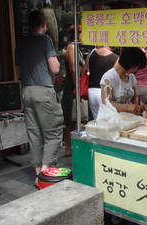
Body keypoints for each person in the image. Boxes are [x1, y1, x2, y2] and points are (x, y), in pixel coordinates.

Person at [15, 10, 63, 187]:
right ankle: (43, 175)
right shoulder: (45, 40)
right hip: (43, 91)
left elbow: (18, 72)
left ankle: (37, 174)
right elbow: (55, 68)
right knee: (53, 133)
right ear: (44, 23)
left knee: (34, 133)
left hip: (26, 91)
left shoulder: (21, 42)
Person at [100, 47, 147, 115]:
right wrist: (128, 107)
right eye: (135, 67)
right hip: (112, 118)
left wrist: (139, 106)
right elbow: (106, 102)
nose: (136, 70)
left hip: (128, 117)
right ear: (129, 63)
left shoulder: (131, 77)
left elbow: (134, 97)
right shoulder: (109, 77)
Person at [61, 24, 84, 156]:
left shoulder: (76, 48)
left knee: (76, 117)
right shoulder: (71, 48)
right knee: (71, 118)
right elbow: (72, 69)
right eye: (81, 33)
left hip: (75, 85)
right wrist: (78, 87)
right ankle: (69, 147)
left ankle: (73, 146)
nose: (82, 36)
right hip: (72, 86)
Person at [87, 46, 119, 120]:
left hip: (91, 91)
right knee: (108, 121)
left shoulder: (91, 54)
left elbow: (84, 71)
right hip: (104, 92)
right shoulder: (116, 58)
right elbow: (115, 77)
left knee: (96, 119)